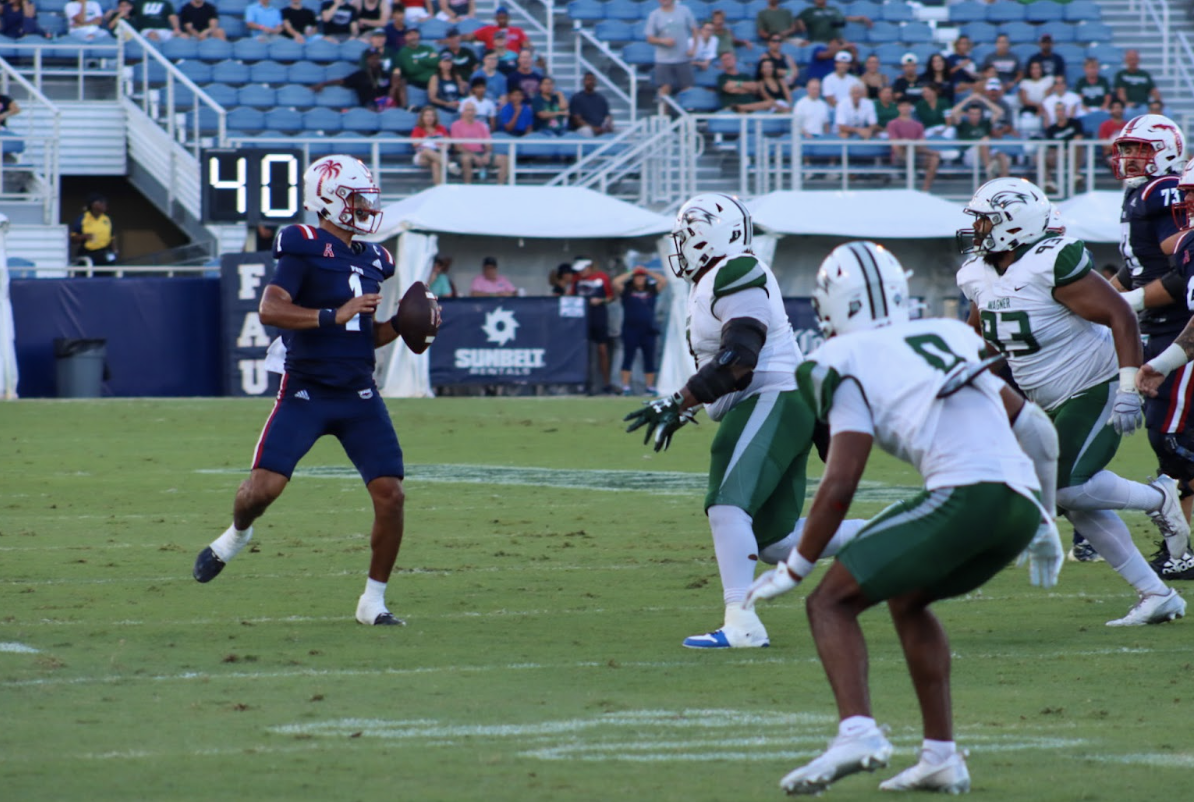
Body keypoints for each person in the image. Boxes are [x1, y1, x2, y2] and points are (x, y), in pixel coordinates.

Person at [745, 240, 1060, 796]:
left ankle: (858, 733)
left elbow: (841, 481)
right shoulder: (953, 333)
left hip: (966, 497)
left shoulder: (838, 359)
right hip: (1014, 505)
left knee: (828, 602)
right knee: (908, 598)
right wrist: (1043, 520)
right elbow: (1037, 431)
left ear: (835, 304)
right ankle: (941, 757)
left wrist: (794, 567)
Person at [625, 194, 863, 649]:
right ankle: (903, 528)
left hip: (771, 395)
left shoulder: (736, 270)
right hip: (779, 400)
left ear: (710, 234)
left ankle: (742, 622)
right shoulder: (717, 277)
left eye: (685, 235)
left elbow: (740, 359)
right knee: (775, 539)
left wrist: (680, 401)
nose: (679, 245)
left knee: (727, 506)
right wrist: (689, 405)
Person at [191, 155, 419, 630]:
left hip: (358, 394)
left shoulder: (376, 258)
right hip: (306, 391)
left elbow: (363, 333)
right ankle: (235, 536)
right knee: (261, 490)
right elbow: (271, 309)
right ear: (328, 201)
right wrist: (330, 315)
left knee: (391, 495)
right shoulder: (302, 243)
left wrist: (400, 324)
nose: (364, 209)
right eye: (356, 200)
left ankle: (372, 602)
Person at [957, 177, 1187, 624]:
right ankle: (1156, 594)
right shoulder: (977, 274)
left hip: (1094, 385)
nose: (979, 229)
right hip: (1047, 399)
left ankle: (1158, 497)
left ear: (1014, 225)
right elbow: (981, 338)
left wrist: (1125, 389)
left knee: (1061, 486)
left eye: (986, 220)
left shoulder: (1050, 260)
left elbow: (1119, 312)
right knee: (1075, 499)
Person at [1108, 115, 1194, 579]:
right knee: (1168, 439)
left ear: (1163, 149)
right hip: (1156, 326)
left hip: (1179, 326)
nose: (1128, 158)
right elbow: (1136, 266)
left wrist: (1128, 301)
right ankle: (1178, 547)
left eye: (1138, 149)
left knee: (1174, 438)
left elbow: (1179, 265)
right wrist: (1099, 296)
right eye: (1125, 149)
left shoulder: (1162, 192)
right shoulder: (1137, 195)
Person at [613, 266, 667, 396]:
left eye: (642, 277)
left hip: (648, 330)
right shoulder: (627, 290)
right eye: (638, 277)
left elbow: (664, 281)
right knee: (628, 358)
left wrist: (647, 271)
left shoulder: (651, 290)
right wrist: (632, 271)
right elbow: (615, 282)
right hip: (630, 329)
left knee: (649, 359)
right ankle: (625, 387)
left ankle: (649, 387)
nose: (640, 279)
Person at [570, 258, 616, 395]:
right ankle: (584, 383)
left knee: (602, 350)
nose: (581, 273)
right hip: (582, 318)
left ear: (589, 267)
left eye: (583, 270)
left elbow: (610, 297)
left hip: (599, 317)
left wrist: (600, 300)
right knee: (583, 352)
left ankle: (606, 383)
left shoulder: (602, 277)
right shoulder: (576, 279)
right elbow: (572, 295)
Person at [314, 49, 403, 109]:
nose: (374, 60)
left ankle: (404, 109)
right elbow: (341, 81)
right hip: (368, 106)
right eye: (372, 58)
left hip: (384, 105)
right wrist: (324, 84)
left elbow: (395, 88)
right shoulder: (360, 75)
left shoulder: (385, 74)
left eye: (376, 58)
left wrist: (395, 86)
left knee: (400, 84)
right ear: (367, 60)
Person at [644, 0, 697, 98]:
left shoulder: (685, 11)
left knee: (688, 88)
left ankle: (685, 111)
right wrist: (663, 41)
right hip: (663, 60)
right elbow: (649, 38)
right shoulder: (654, 15)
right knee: (665, 88)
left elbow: (694, 30)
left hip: (683, 58)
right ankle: (663, 112)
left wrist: (693, 49)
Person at [887, 97, 939, 192]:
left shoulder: (918, 125)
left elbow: (922, 144)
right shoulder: (892, 124)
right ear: (898, 108)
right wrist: (908, 144)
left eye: (907, 106)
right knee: (902, 150)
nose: (905, 108)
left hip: (916, 154)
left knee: (934, 159)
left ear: (910, 107)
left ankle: (925, 190)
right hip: (900, 156)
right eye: (902, 106)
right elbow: (895, 145)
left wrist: (909, 144)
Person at [451, 101, 507, 183]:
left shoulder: (481, 125)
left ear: (475, 112)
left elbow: (488, 144)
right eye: (468, 110)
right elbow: (458, 147)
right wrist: (474, 156)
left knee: (504, 160)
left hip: (481, 153)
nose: (470, 112)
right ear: (463, 112)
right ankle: (467, 187)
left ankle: (500, 188)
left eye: (472, 110)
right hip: (463, 154)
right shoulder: (456, 125)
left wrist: (487, 154)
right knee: (466, 159)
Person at [953, 102, 1008, 179]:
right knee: (984, 142)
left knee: (1002, 156)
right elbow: (954, 112)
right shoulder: (963, 124)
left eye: (977, 114)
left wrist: (981, 99)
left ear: (980, 115)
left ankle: (1004, 182)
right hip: (970, 154)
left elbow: (1000, 112)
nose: (974, 116)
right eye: (972, 114)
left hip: (986, 153)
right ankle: (990, 177)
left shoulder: (985, 124)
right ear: (967, 114)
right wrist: (971, 98)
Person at [1041, 103, 1084, 193]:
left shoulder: (1075, 123)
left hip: (1073, 151)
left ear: (1065, 111)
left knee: (1077, 146)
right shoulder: (1051, 129)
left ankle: (1075, 175)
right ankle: (1049, 182)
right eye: (1057, 110)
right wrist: (1061, 152)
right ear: (1055, 112)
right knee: (1039, 157)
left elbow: (1078, 138)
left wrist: (1067, 150)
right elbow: (1051, 147)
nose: (1060, 112)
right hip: (1058, 154)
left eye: (1062, 110)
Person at [69, 193, 117, 267]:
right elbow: (73, 238)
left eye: (105, 202)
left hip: (105, 252)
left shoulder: (107, 219)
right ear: (93, 204)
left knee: (107, 275)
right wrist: (83, 237)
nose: (104, 204)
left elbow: (112, 237)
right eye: (101, 202)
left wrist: (115, 251)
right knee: (88, 274)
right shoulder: (82, 218)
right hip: (88, 253)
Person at [794, 0, 871, 44]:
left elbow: (843, 18)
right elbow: (798, 19)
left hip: (834, 41)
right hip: (816, 41)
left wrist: (861, 18)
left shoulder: (833, 9)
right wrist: (801, 23)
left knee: (852, 47)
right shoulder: (809, 11)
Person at [411, 105, 453, 184]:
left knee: (435, 163)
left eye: (432, 116)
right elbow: (415, 143)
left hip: (439, 154)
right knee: (426, 150)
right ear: (422, 117)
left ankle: (439, 191)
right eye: (427, 115)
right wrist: (427, 139)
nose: (429, 118)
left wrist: (442, 147)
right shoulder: (418, 129)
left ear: (435, 118)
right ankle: (449, 164)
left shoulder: (441, 128)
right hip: (422, 156)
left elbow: (448, 143)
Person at [570, 72, 613, 136]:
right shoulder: (577, 98)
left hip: (601, 129)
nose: (591, 82)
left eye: (593, 80)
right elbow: (577, 119)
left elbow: (607, 116)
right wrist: (594, 128)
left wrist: (608, 125)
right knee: (587, 130)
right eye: (588, 79)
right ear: (583, 81)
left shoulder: (601, 98)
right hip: (584, 129)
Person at [396, 26, 438, 91]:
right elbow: (411, 69)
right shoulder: (403, 52)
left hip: (435, 82)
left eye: (415, 34)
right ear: (405, 37)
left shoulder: (428, 48)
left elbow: (436, 62)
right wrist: (428, 62)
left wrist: (418, 61)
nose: (413, 37)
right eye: (410, 35)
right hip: (416, 84)